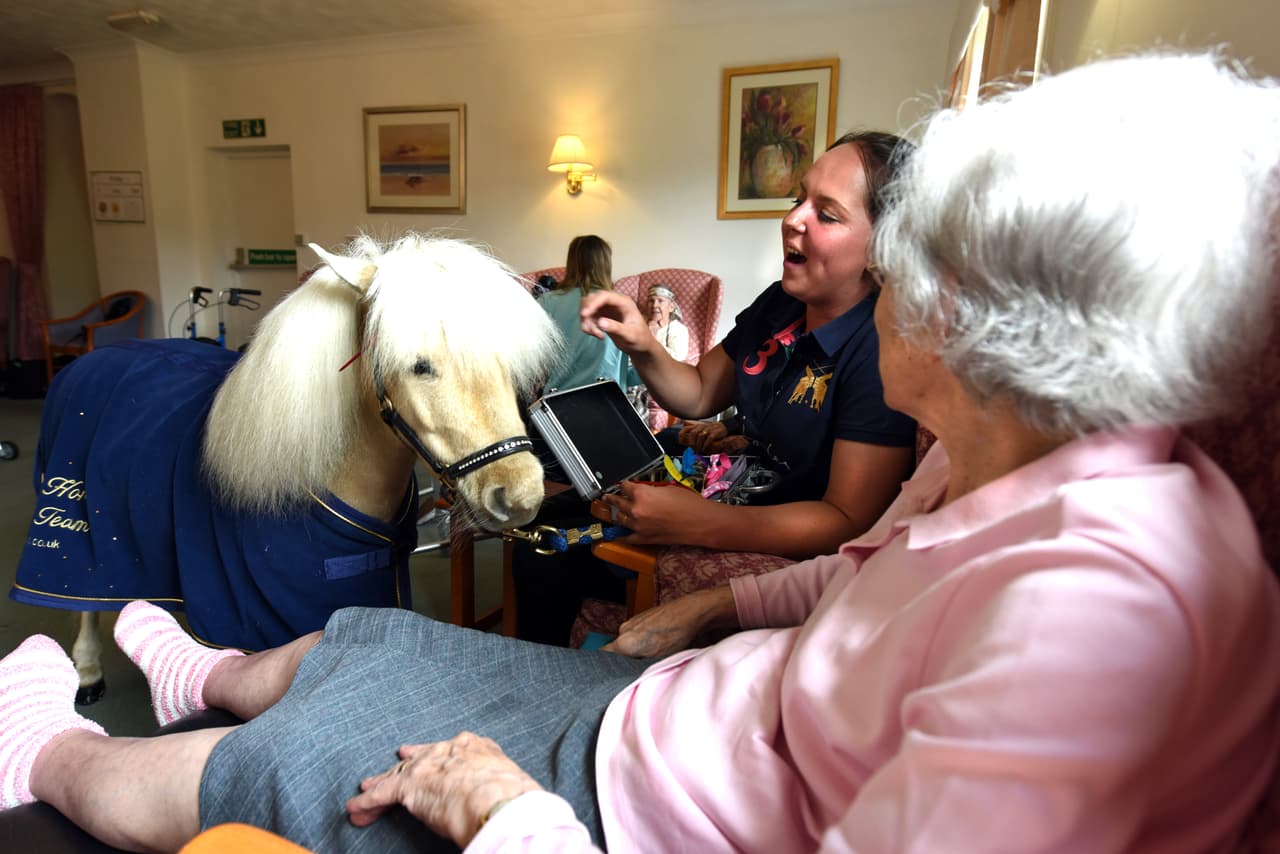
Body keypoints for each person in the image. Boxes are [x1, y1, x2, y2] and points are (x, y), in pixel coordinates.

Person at [3, 51, 1280, 853]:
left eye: (895, 264)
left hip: (634, 798)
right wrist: (703, 610)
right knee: (373, 641)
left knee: (293, 761)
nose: (873, 290)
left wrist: (499, 808)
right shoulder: (999, 465)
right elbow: (853, 573)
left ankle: (51, 750)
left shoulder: (1091, 617)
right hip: (687, 720)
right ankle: (202, 671)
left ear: (963, 313)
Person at [513, 130, 920, 645]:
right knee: (544, 519)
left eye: (828, 213)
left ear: (886, 246)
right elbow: (700, 392)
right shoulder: (780, 305)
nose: (793, 219)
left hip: (766, 531)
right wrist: (641, 342)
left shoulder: (881, 347)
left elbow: (847, 519)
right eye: (799, 199)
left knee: (547, 561)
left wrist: (700, 523)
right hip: (725, 489)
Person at [537, 235, 632, 392]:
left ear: (571, 262)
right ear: (606, 264)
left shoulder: (547, 302)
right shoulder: (622, 305)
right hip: (610, 401)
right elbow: (636, 373)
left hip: (558, 401)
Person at [645, 284, 689, 361]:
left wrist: (653, 340)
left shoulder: (679, 330)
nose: (654, 305)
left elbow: (678, 359)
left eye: (660, 301)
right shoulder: (638, 322)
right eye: (651, 301)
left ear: (671, 307)